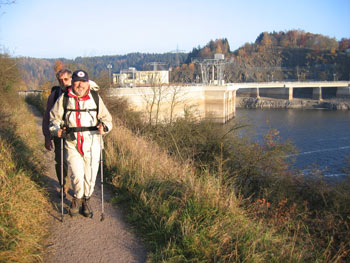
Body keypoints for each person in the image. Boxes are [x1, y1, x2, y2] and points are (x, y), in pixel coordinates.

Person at [49, 70, 112, 217]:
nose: (80, 85)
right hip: (72, 143)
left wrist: (105, 127)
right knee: (77, 176)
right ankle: (77, 198)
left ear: (87, 82)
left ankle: (86, 200)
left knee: (90, 177)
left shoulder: (95, 97)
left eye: (83, 82)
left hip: (93, 143)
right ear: (73, 82)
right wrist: (56, 130)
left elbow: (107, 119)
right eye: (77, 81)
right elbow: (54, 119)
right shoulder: (65, 98)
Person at [42, 69, 72, 197]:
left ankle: (80, 191)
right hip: (59, 134)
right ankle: (64, 186)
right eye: (60, 80)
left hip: (76, 134)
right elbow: (47, 117)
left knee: (77, 163)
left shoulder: (79, 93)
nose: (63, 83)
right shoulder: (54, 95)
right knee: (61, 162)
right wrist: (47, 137)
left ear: (71, 79)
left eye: (66, 79)